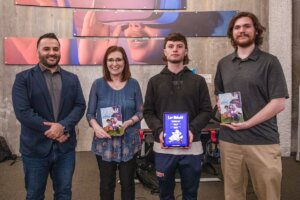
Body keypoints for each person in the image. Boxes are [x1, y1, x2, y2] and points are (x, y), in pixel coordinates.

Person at [214, 12, 289, 200]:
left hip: (262, 141)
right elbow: (220, 95)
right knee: (233, 195)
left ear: (256, 31)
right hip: (229, 141)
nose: (242, 30)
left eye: (247, 26)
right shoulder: (223, 64)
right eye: (237, 27)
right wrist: (223, 108)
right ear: (232, 33)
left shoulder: (270, 62)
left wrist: (247, 124)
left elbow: (279, 103)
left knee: (268, 195)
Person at [12, 33, 86, 200]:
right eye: (46, 49)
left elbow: (80, 105)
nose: (52, 52)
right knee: (34, 195)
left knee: (64, 193)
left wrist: (63, 127)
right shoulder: (23, 79)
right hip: (35, 150)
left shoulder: (72, 79)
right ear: (37, 52)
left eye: (55, 49)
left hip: (65, 149)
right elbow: (23, 112)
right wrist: (55, 129)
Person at [143, 32, 212, 199]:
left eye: (179, 46)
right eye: (171, 46)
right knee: (165, 194)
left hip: (192, 148)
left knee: (190, 194)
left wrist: (191, 130)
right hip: (163, 148)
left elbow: (207, 111)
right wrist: (160, 131)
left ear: (186, 51)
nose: (175, 49)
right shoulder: (154, 81)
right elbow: (148, 112)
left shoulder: (198, 81)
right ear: (165, 52)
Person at [86, 45, 143, 200]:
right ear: (106, 63)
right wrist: (96, 127)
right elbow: (90, 114)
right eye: (110, 60)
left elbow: (140, 112)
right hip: (105, 142)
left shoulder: (134, 84)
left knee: (128, 183)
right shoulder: (98, 84)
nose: (114, 63)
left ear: (124, 62)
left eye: (118, 59)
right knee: (106, 184)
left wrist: (129, 122)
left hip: (129, 142)